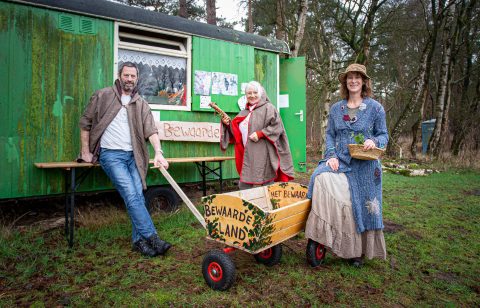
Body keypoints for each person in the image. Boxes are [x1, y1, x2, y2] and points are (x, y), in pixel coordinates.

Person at [79, 62, 172, 257]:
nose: (129, 79)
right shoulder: (103, 95)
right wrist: (85, 152)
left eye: (133, 76)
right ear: (120, 76)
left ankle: (138, 241)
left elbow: (151, 130)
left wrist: (158, 152)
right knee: (131, 194)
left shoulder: (140, 102)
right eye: (126, 75)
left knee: (137, 195)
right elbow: (85, 123)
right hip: (111, 155)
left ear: (137, 79)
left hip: (134, 156)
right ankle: (152, 237)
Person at [305, 63, 388, 267]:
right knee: (319, 177)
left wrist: (374, 142)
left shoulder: (375, 108)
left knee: (359, 202)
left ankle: (357, 252)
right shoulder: (336, 109)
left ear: (363, 82)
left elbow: (384, 135)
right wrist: (331, 155)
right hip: (340, 160)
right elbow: (331, 135)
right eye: (350, 77)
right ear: (345, 82)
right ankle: (322, 235)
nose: (353, 81)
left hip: (366, 164)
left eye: (357, 77)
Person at [219, 81, 294, 190]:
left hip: (263, 153)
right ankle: (247, 204)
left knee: (264, 184)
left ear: (261, 93)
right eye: (249, 93)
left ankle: (267, 205)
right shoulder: (244, 112)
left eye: (255, 92)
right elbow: (236, 134)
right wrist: (227, 124)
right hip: (247, 153)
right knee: (245, 183)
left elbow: (277, 127)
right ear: (246, 95)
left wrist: (260, 134)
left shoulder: (269, 108)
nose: (252, 95)